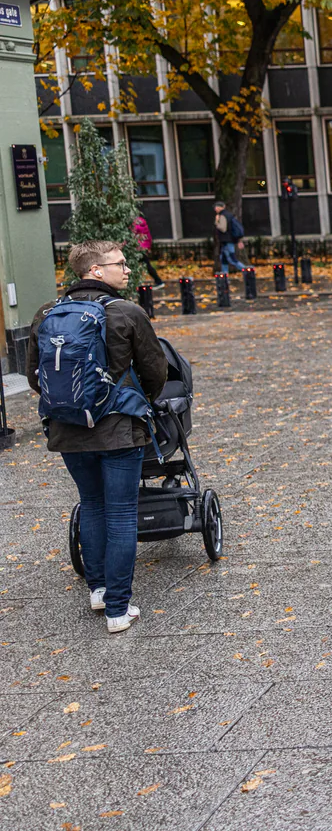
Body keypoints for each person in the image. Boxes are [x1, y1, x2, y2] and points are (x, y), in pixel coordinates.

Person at [28, 241, 167, 633]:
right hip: (119, 430)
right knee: (121, 512)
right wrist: (136, 400)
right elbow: (155, 371)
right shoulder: (126, 312)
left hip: (68, 431)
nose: (127, 269)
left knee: (91, 504)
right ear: (94, 271)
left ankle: (99, 590)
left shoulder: (46, 314)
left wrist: (73, 407)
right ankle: (118, 611)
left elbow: (34, 376)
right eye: (119, 264)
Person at [132, 215, 165, 290]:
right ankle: (158, 281)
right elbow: (148, 237)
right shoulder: (142, 223)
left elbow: (132, 235)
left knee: (136, 265)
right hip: (143, 247)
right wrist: (147, 247)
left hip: (138, 248)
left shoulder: (134, 224)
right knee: (147, 265)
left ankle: (158, 281)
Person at [213, 201, 246, 273]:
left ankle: (247, 271)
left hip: (227, 241)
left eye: (215, 207)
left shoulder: (222, 216)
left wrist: (216, 222)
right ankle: (225, 278)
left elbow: (223, 228)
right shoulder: (229, 215)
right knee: (223, 260)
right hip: (228, 241)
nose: (215, 209)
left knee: (232, 259)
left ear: (219, 208)